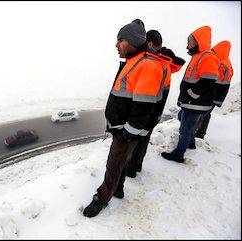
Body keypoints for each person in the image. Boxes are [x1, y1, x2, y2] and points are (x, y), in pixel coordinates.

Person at [82, 19, 171, 218]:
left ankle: (102, 198)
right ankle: (118, 189)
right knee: (122, 161)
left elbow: (143, 107)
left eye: (120, 40)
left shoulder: (147, 65)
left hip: (127, 132)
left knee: (113, 165)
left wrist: (126, 133)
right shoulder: (134, 62)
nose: (116, 45)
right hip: (123, 129)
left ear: (132, 41)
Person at [126, 30, 186, 177]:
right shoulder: (165, 62)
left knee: (138, 139)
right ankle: (137, 165)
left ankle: (131, 169)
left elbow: (147, 90)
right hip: (156, 109)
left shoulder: (155, 63)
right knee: (144, 139)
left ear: (150, 44)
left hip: (149, 109)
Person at [161, 26, 219, 163]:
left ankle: (178, 154)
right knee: (183, 118)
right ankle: (191, 142)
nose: (187, 45)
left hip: (196, 103)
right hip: (192, 102)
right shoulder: (198, 56)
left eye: (189, 41)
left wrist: (192, 94)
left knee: (185, 129)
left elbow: (208, 81)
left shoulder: (207, 57)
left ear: (198, 41)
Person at [194, 40, 234, 140]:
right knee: (206, 114)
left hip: (210, 95)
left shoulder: (220, 64)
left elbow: (211, 81)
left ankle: (194, 132)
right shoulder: (228, 65)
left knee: (201, 114)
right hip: (217, 96)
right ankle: (201, 133)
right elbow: (225, 85)